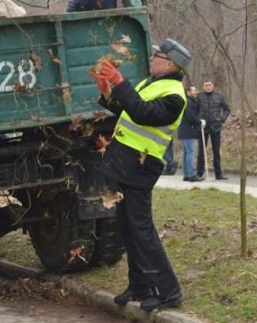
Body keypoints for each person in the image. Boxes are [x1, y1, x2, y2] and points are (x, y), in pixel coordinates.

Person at [92, 38, 190, 311]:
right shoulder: (152, 83)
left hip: (140, 169)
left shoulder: (174, 95)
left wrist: (120, 81)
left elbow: (144, 113)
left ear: (170, 63)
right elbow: (129, 110)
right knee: (128, 228)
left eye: (157, 55)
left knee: (142, 230)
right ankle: (140, 286)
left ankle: (169, 292)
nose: (152, 58)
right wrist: (108, 93)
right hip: (124, 165)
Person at [196, 79, 230, 180]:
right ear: (203, 86)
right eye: (206, 85)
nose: (208, 87)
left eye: (209, 85)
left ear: (213, 86)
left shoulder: (219, 96)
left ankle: (218, 174)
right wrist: (198, 121)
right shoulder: (199, 97)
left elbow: (227, 109)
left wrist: (222, 119)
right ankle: (199, 173)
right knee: (201, 151)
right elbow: (195, 110)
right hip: (203, 127)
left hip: (216, 127)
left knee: (216, 151)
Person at [178, 85, 203, 182]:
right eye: (194, 91)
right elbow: (191, 117)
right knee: (190, 152)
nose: (196, 92)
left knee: (186, 153)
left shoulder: (187, 101)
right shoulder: (189, 103)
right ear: (188, 92)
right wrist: (200, 122)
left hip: (184, 130)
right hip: (188, 131)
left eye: (196, 90)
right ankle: (191, 174)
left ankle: (186, 174)